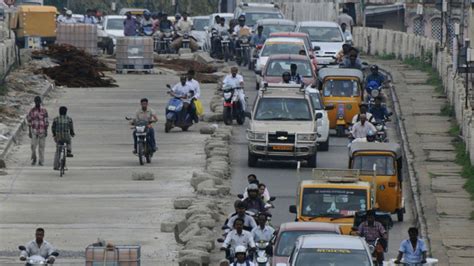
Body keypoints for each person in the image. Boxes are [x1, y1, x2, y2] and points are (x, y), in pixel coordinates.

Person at [27, 96, 49, 166]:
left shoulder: (44, 110)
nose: (37, 103)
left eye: (38, 102)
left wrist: (46, 131)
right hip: (34, 131)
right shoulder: (32, 110)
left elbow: (46, 121)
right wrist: (29, 132)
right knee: (33, 146)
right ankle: (34, 158)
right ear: (35, 102)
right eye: (36, 102)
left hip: (42, 131)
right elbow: (29, 121)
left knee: (41, 147)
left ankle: (41, 161)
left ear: (40, 102)